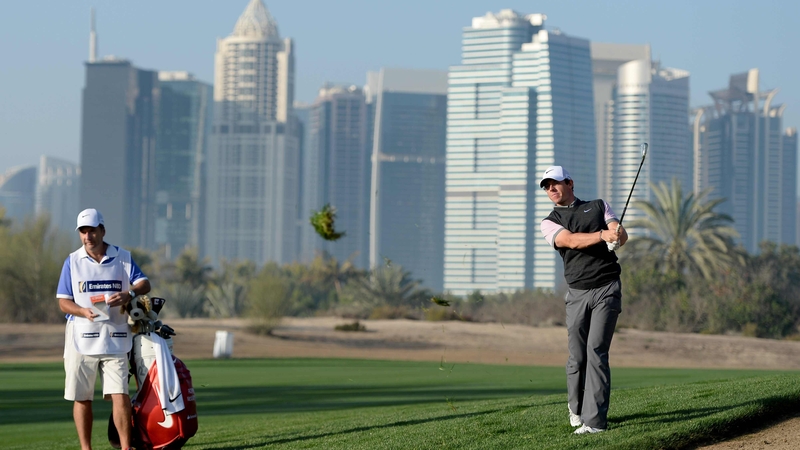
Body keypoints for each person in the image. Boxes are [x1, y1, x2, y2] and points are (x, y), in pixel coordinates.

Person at [539, 166, 628, 435]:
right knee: (577, 358)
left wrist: (616, 235)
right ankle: (575, 408)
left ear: (569, 182)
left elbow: (619, 233)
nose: (550, 190)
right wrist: (602, 235)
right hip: (577, 293)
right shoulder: (549, 221)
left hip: (607, 287)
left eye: (554, 184)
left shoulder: (598, 206)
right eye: (546, 186)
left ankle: (595, 423)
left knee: (596, 352)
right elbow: (571, 241)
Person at [56, 208, 151, 450]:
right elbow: (63, 301)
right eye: (83, 231)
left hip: (116, 335)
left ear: (103, 230)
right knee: (82, 397)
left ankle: (126, 447)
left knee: (120, 394)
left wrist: (129, 293)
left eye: (92, 230)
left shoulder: (123, 257)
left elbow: (144, 283)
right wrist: (82, 311)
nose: (88, 236)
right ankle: (86, 448)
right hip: (81, 336)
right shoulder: (72, 261)